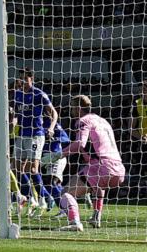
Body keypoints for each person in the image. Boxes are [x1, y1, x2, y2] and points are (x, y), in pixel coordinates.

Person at [58, 95, 125, 231]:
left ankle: (75, 222)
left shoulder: (83, 121)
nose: (71, 110)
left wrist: (58, 155)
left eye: (72, 107)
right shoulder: (103, 121)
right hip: (119, 169)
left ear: (78, 108)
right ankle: (96, 215)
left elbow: (79, 144)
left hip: (102, 166)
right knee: (97, 183)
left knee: (66, 193)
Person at [13, 68, 58, 216]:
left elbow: (54, 112)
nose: (23, 82)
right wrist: (12, 123)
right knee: (16, 169)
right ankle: (30, 198)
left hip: (36, 135)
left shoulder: (39, 94)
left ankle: (45, 197)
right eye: (21, 79)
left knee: (33, 169)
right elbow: (16, 115)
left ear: (31, 79)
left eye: (25, 79)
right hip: (21, 135)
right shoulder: (17, 95)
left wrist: (51, 127)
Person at [39, 116, 69, 212]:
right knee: (32, 175)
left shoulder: (53, 124)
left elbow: (66, 139)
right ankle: (54, 200)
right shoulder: (34, 123)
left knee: (51, 182)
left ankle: (64, 209)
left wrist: (52, 138)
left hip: (55, 156)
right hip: (44, 157)